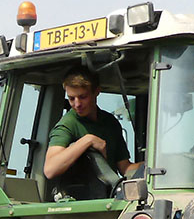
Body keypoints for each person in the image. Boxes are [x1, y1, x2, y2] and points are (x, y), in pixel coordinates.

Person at [43, 67, 142, 198]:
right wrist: (87, 140)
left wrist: (149, 166)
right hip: (80, 202)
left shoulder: (109, 122)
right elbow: (50, 169)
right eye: (71, 98)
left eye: (82, 97)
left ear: (96, 92)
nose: (77, 104)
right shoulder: (67, 125)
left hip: (109, 197)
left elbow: (125, 168)